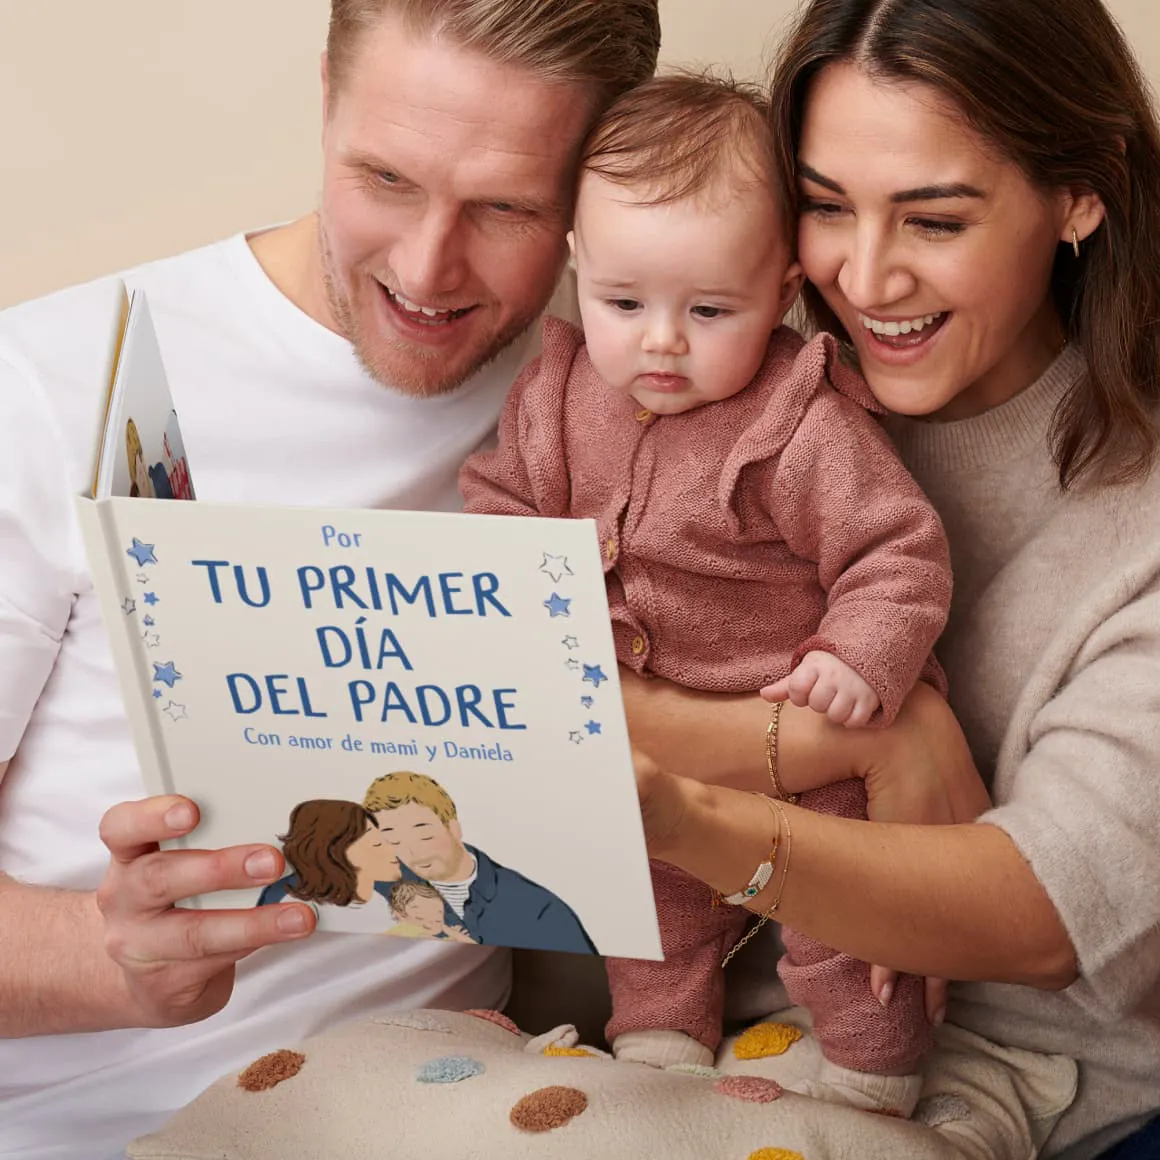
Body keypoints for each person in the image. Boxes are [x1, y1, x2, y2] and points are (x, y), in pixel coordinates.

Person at [0, 2, 660, 1155]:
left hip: (448, 1105)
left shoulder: (620, 390)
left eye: (504, 207)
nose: (426, 268)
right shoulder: (52, 383)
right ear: (325, 99)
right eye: (385, 178)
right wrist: (110, 957)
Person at [620, 1, 1160, 1157]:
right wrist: (869, 734)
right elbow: (556, 691)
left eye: (934, 219)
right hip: (733, 1056)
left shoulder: (1140, 518)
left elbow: (1043, 912)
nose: (862, 276)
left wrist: (692, 808)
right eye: (823, 207)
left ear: (1079, 194)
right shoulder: (715, 381)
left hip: (1036, 1093)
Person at [461, 72, 952, 1115]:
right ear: (577, 271)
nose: (662, 339)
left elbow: (895, 552)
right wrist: (519, 615)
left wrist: (854, 658)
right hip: (644, 765)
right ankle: (656, 1064)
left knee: (843, 923)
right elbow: (496, 510)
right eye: (623, 302)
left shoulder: (801, 421)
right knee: (652, 905)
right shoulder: (554, 398)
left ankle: (874, 1078)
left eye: (709, 308)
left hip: (796, 729)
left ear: (778, 290)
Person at [364, 772, 598, 954]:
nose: (412, 852)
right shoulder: (387, 876)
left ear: (454, 828)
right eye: (393, 841)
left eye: (425, 836)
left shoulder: (538, 910)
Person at [269, 799, 403, 933]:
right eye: (376, 843)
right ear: (335, 853)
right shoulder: (301, 909)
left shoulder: (380, 903)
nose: (392, 850)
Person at [387, 880, 476, 942]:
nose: (432, 921)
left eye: (439, 914)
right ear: (400, 916)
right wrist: (453, 933)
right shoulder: (411, 933)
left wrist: (452, 935)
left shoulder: (416, 933)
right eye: (420, 917)